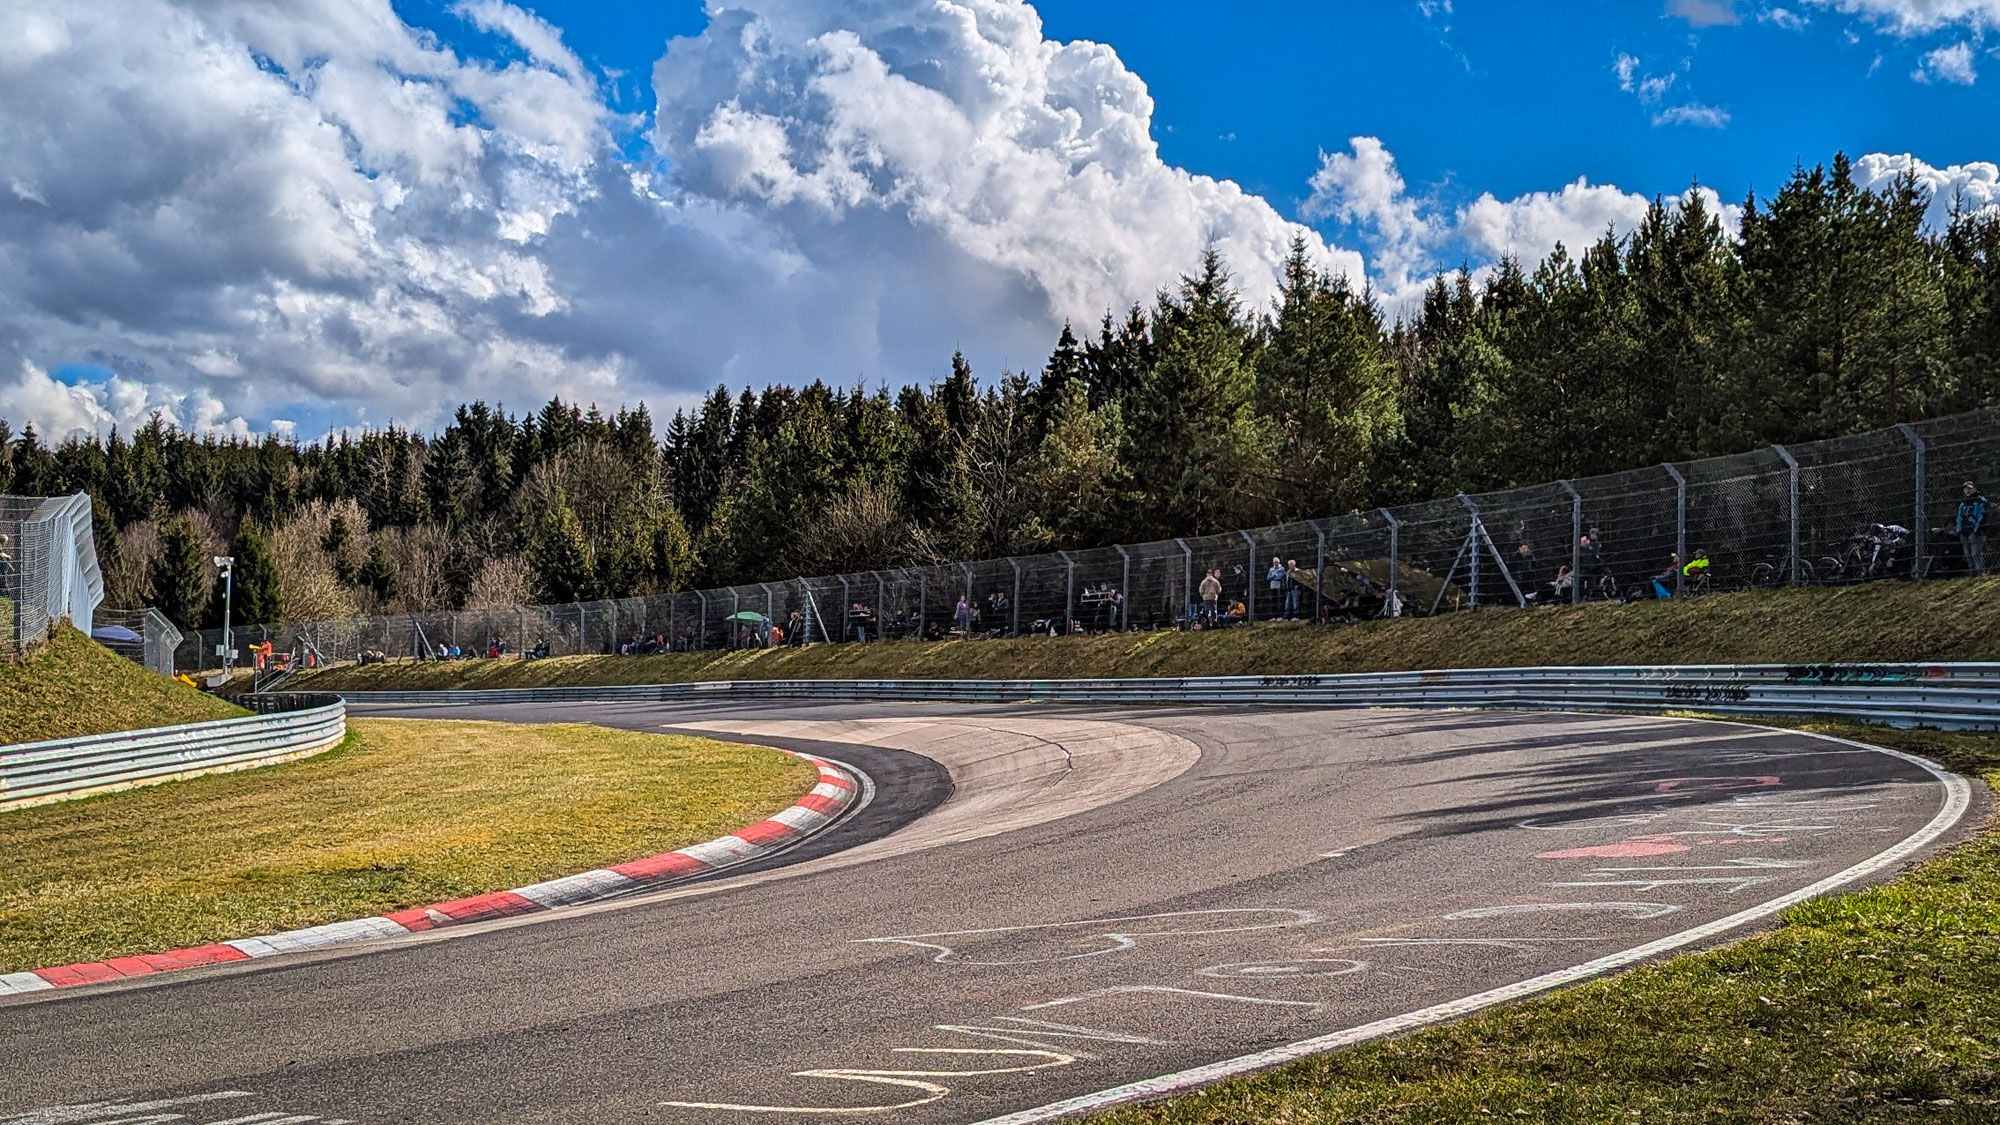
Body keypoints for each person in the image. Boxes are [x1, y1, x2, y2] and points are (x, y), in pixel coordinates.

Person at [1957, 481, 1988, 576]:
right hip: (1964, 532)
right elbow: (1959, 517)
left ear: (1974, 489)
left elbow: (1983, 516)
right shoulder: (1963, 503)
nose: (1968, 490)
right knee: (1968, 555)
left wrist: (1977, 530)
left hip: (1975, 531)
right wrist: (1959, 531)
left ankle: (1980, 573)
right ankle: (1972, 574)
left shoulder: (1981, 500)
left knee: (1976, 554)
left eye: (1970, 488)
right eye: (1966, 488)